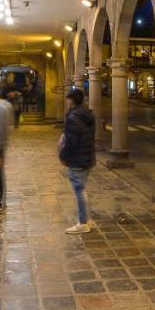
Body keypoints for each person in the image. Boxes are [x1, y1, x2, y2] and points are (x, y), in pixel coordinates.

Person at [59, 88, 96, 234]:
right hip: (87, 156)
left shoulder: (73, 118)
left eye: (68, 99)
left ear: (72, 100)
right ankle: (88, 220)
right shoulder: (88, 115)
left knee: (79, 190)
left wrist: (63, 156)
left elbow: (71, 142)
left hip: (77, 158)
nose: (66, 102)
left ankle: (83, 222)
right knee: (83, 189)